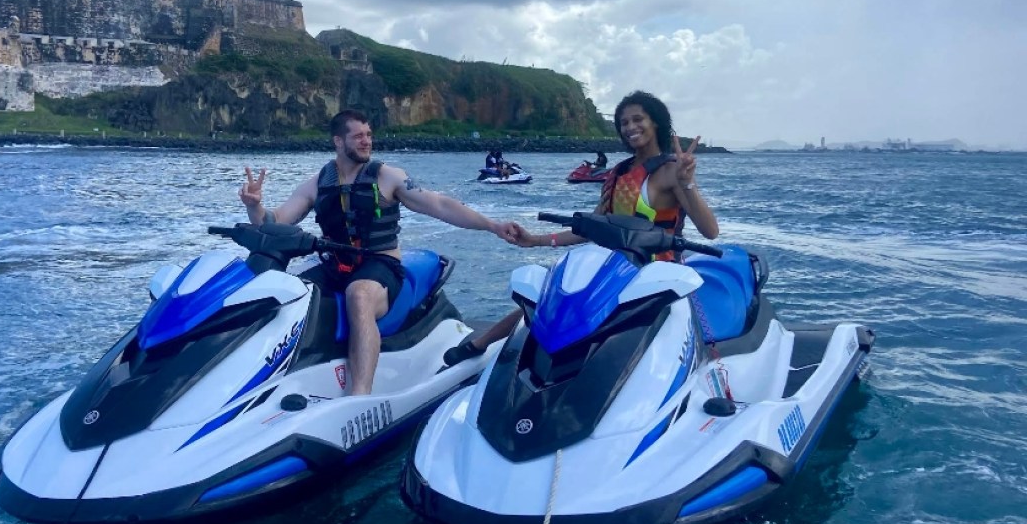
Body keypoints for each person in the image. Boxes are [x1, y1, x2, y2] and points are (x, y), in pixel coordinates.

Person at [240, 109, 520, 395]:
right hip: (335, 265)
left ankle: (360, 394)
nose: (367, 141)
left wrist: (493, 226)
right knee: (286, 292)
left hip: (380, 265)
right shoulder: (317, 183)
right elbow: (274, 222)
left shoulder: (388, 177)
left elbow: (440, 205)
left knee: (359, 295)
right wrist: (254, 206)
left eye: (369, 135)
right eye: (358, 136)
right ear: (338, 141)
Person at [443, 90, 719, 366]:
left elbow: (710, 231)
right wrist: (535, 240)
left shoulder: (671, 171)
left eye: (638, 119)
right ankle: (481, 344)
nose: (630, 127)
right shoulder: (619, 173)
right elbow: (590, 227)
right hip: (615, 270)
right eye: (624, 122)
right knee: (550, 303)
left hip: (657, 275)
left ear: (656, 122)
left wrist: (687, 183)